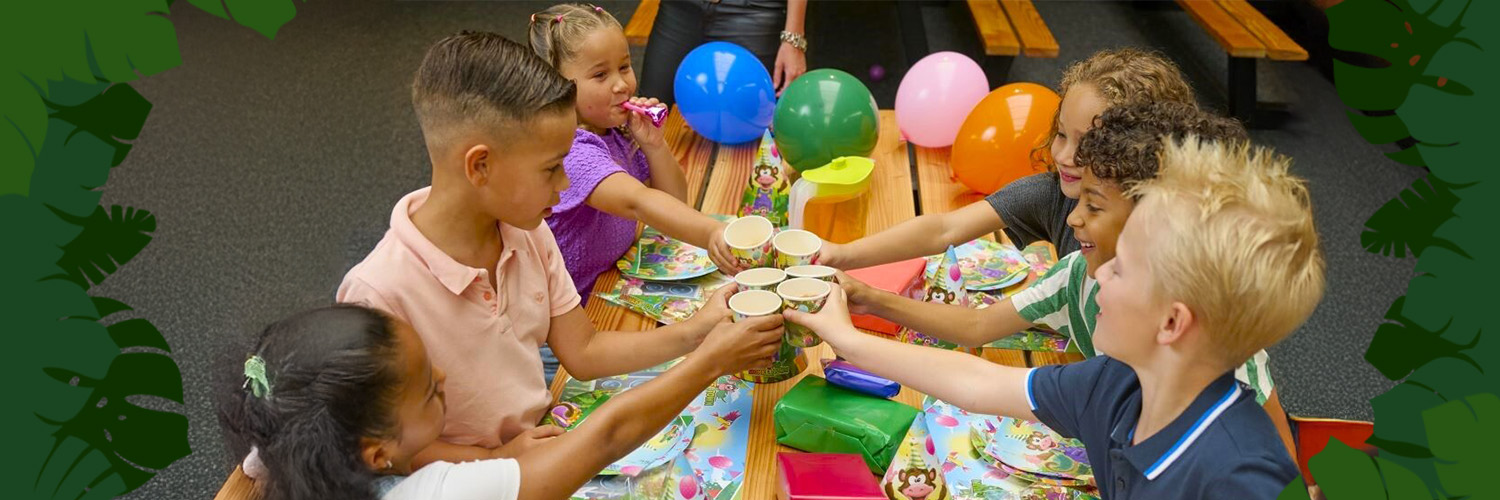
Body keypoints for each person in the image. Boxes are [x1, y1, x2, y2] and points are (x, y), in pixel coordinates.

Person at [335, 31, 780, 469]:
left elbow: (584, 350)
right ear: (480, 165)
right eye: (552, 169)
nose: (565, 185)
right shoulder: (377, 294)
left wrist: (696, 331)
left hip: (539, 448)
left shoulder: (526, 229)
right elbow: (382, 452)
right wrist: (494, 458)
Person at [791, 137, 1323, 499]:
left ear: (1171, 324)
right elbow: (978, 382)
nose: (1101, 275)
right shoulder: (1117, 383)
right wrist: (848, 340)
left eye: (1121, 269)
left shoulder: (1240, 478)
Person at [219, 304, 781, 500]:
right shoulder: (436, 493)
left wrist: (495, 458)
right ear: (377, 452)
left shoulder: (284, 437)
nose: (443, 375)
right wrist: (710, 361)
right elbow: (606, 437)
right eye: (429, 389)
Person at [817, 48, 1197, 269]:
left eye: (1087, 144)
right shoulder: (1053, 194)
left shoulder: (1166, 244)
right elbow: (943, 229)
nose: (1063, 156)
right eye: (1060, 134)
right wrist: (841, 254)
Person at [527, 3, 743, 299]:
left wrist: (654, 144)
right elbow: (637, 202)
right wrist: (711, 232)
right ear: (557, 85)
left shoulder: (616, 132)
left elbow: (676, 201)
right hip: (574, 307)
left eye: (624, 67)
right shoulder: (570, 151)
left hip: (610, 281)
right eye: (600, 75)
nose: (621, 85)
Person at [638, 0, 808, 103]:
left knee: (754, 116)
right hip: (680, 8)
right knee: (648, 110)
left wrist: (793, 38)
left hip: (754, 10)